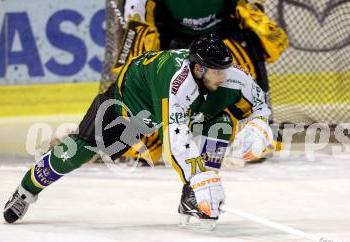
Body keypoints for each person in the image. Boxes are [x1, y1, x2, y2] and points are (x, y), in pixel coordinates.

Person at [3, 35, 274, 229]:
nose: (225, 76)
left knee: (222, 123)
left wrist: (259, 125)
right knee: (78, 151)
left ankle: (192, 195)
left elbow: (260, 104)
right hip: (131, 108)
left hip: (174, 108)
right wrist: (199, 177)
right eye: (218, 71)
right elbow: (176, 142)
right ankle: (25, 191)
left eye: (226, 69)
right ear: (199, 68)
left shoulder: (229, 76)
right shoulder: (178, 83)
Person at [111, 0, 287, 164]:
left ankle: (254, 128)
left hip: (223, 36)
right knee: (144, 145)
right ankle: (148, 131)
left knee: (246, 58)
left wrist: (252, 8)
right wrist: (137, 24)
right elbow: (137, 9)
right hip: (171, 39)